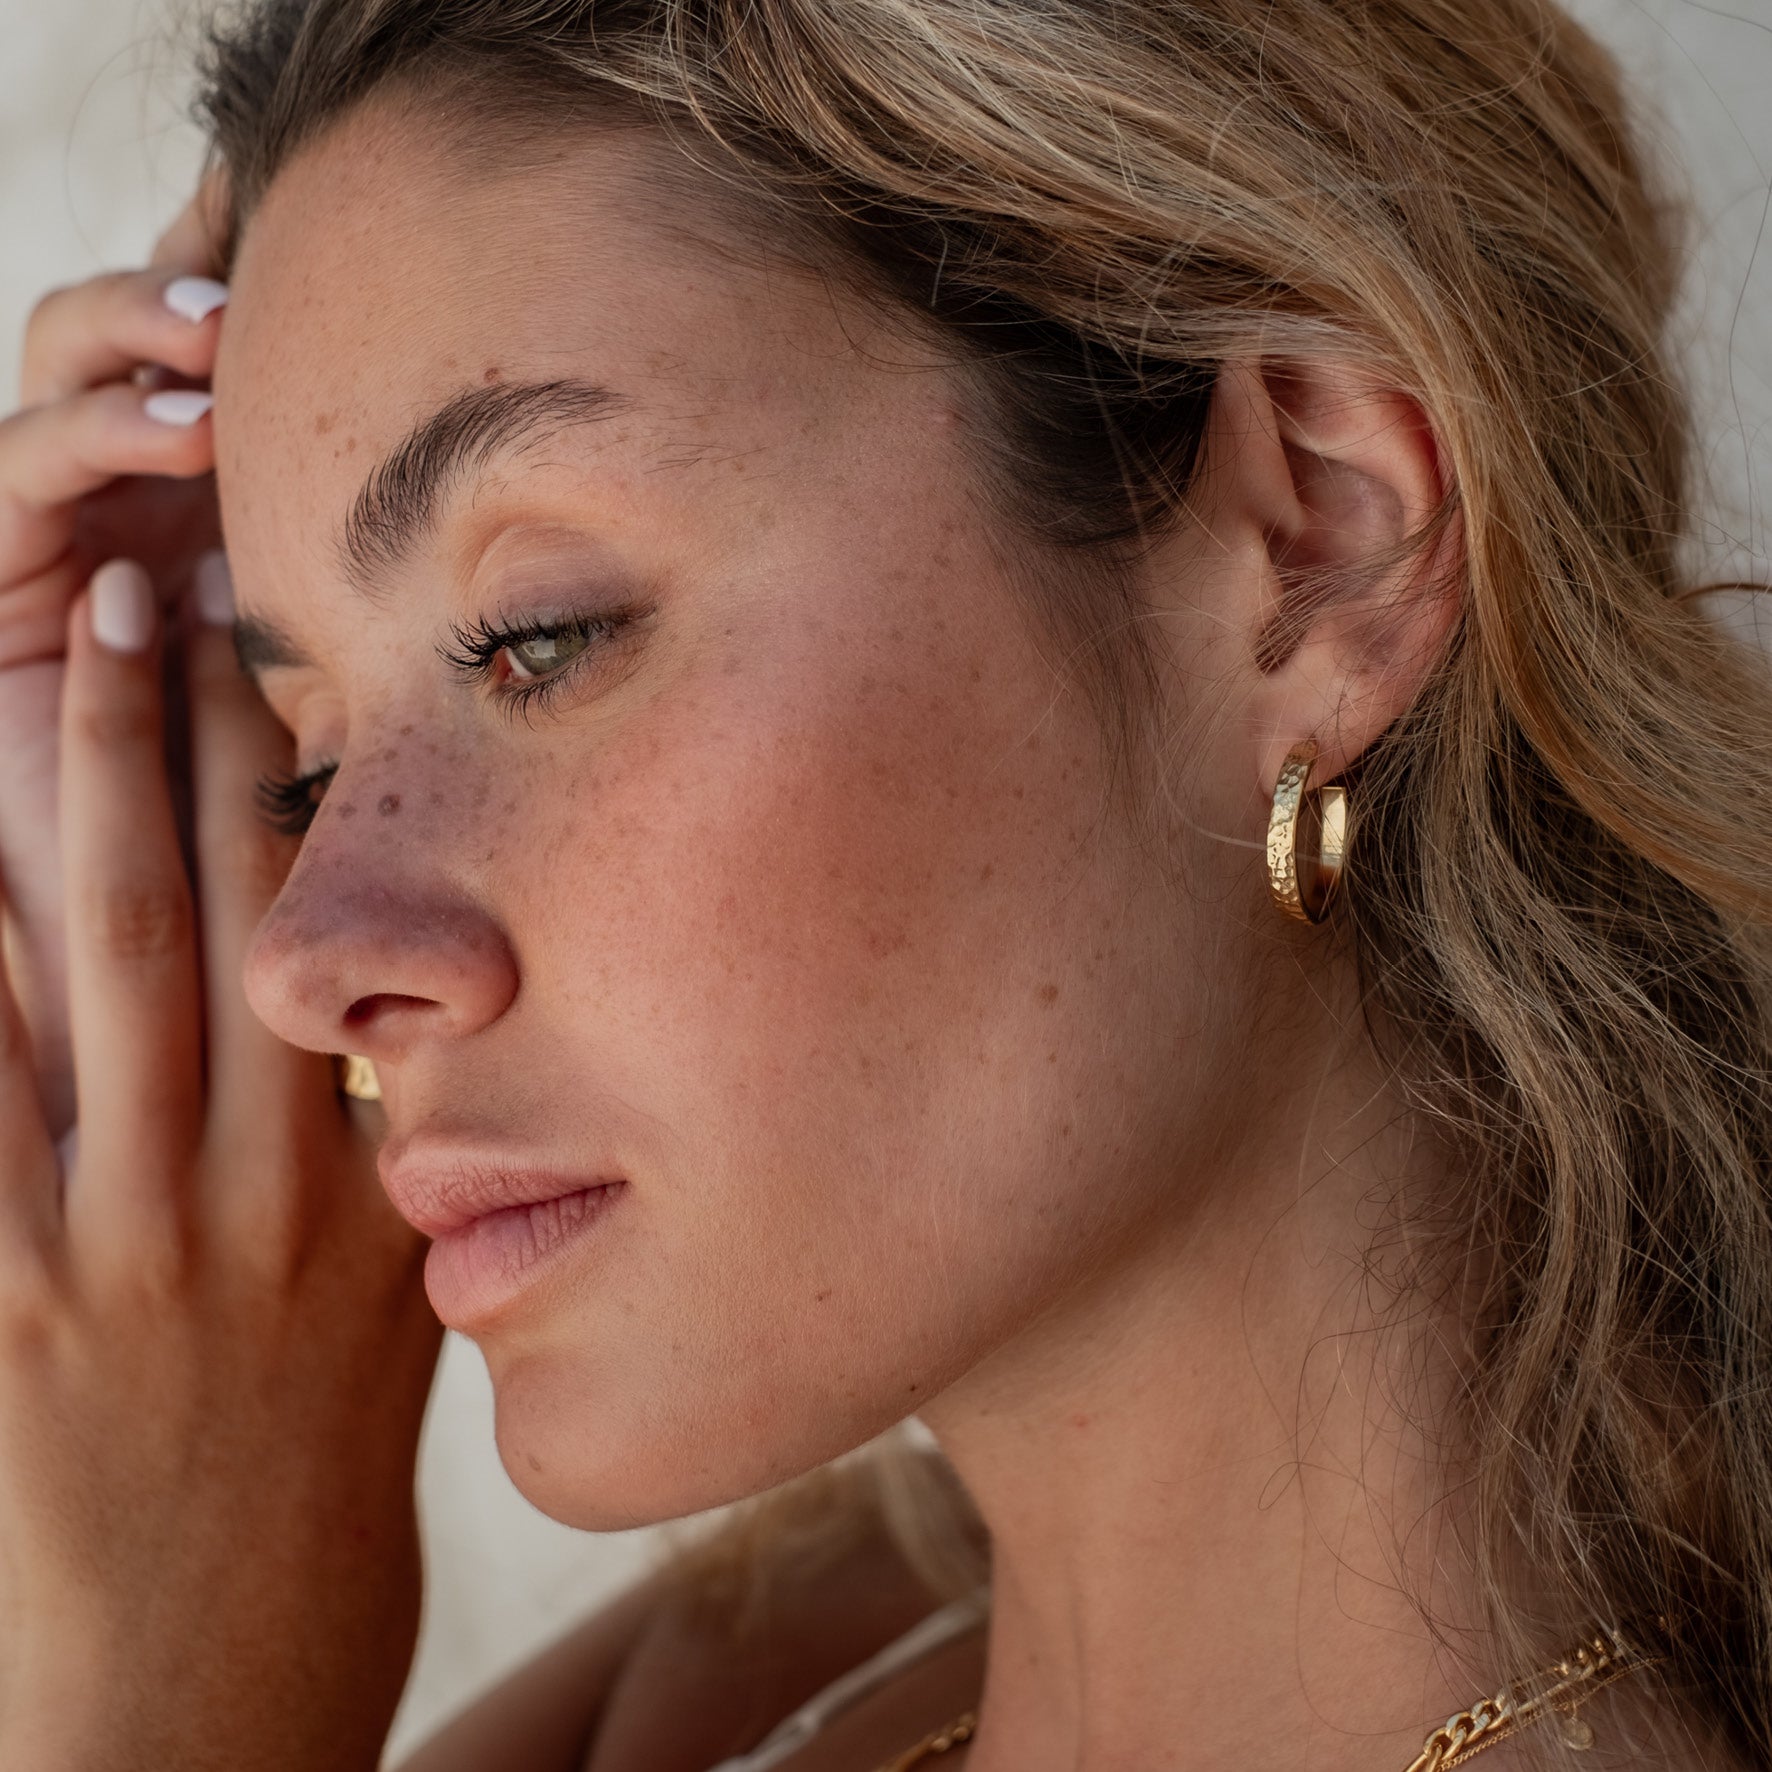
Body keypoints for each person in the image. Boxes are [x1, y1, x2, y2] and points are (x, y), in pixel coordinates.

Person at [0, 0, 1766, 1767]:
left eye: (541, 640)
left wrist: (161, 1709)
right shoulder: (735, 1697)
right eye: (300, 763)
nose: (301, 960)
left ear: (1320, 534)